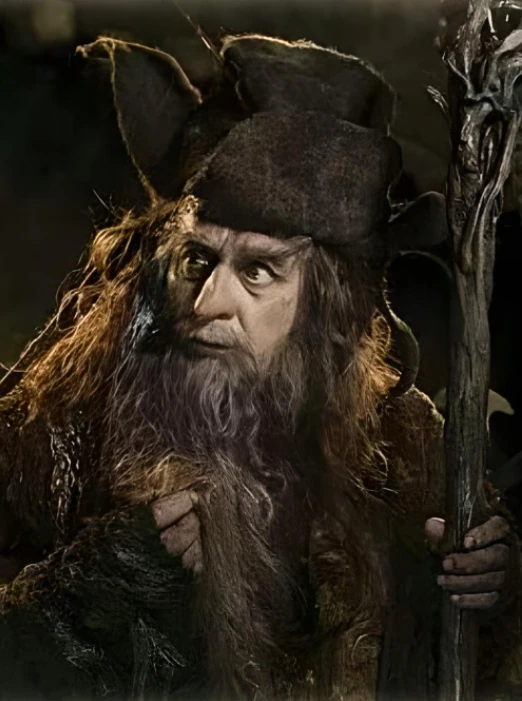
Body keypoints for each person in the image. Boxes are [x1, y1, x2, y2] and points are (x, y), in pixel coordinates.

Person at [0, 33, 519, 701]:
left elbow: (477, 664)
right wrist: (84, 603)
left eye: (257, 271)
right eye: (197, 260)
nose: (207, 302)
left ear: (328, 307)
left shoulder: (406, 447)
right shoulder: (60, 423)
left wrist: (490, 589)